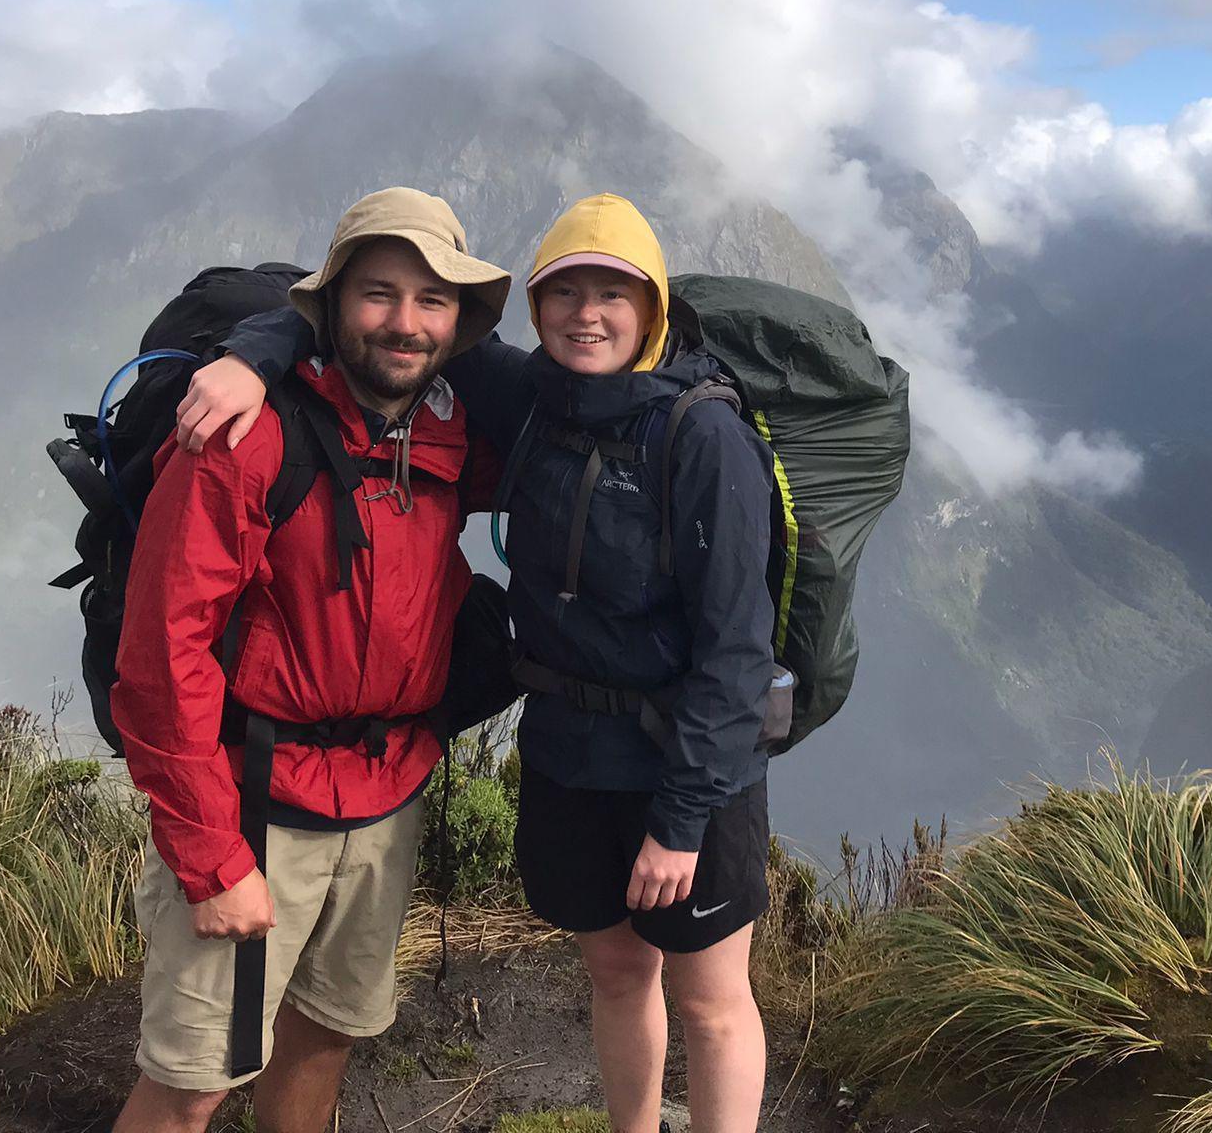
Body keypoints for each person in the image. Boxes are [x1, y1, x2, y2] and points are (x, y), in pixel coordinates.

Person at [178, 193, 780, 1133]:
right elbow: (363, 327)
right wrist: (252, 354)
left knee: (711, 1001)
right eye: (564, 291)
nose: (587, 313)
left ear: (653, 309)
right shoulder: (530, 394)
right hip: (573, 753)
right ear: (533, 309)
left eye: (614, 293)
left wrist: (685, 817)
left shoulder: (702, 435)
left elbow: (740, 649)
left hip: (684, 765)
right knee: (619, 974)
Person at [111, 187, 509, 1133]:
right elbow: (164, 658)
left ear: (459, 323)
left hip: (386, 796)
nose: (404, 324)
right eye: (377, 294)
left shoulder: (452, 432)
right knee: (192, 1083)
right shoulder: (243, 437)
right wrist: (212, 859)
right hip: (254, 805)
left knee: (326, 1035)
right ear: (328, 306)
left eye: (432, 301)